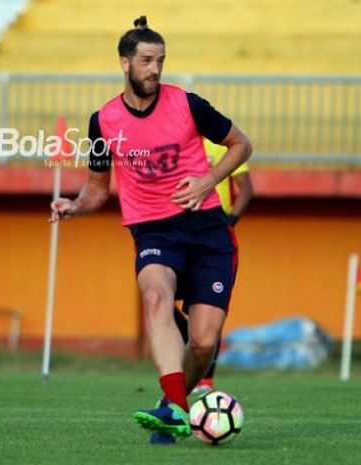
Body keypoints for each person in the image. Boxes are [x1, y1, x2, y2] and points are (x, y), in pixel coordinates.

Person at [49, 16, 252, 445]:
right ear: (125, 64)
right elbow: (98, 189)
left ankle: (172, 407)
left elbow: (242, 144)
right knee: (156, 295)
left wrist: (207, 181)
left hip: (208, 228)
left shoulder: (188, 104)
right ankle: (177, 407)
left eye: (160, 60)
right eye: (146, 60)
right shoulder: (103, 121)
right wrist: (73, 205)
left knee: (202, 343)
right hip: (153, 231)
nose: (155, 69)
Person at [175, 139, 253, 395]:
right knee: (157, 298)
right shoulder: (177, 145)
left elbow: (246, 190)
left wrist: (230, 222)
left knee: (210, 305)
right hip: (181, 234)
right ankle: (190, 353)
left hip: (216, 233)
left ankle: (206, 379)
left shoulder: (222, 146)